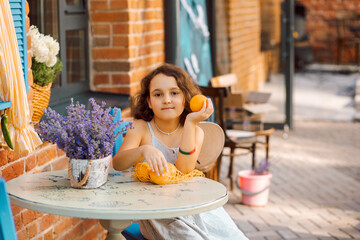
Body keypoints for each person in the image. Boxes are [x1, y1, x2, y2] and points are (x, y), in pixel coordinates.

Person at [113, 64, 248, 240]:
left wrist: (191, 123)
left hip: (195, 206)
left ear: (185, 98)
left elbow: (184, 169)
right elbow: (118, 163)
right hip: (159, 214)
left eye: (174, 93)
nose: (167, 100)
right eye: (158, 94)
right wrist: (143, 150)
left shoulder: (195, 131)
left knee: (233, 236)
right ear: (149, 102)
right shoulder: (140, 129)